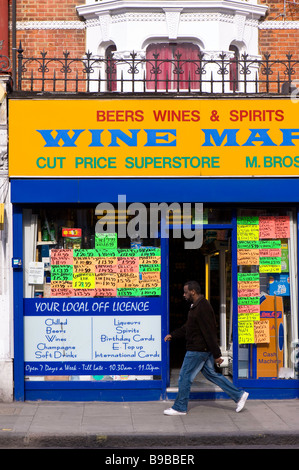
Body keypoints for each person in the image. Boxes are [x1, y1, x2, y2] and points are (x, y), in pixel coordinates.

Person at [164, 280, 249, 416]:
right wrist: (173, 335)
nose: (184, 295)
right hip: (201, 349)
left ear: (193, 292)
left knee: (184, 377)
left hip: (197, 350)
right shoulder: (196, 306)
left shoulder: (203, 307)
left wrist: (217, 354)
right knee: (212, 375)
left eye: (186, 292)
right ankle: (239, 395)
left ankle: (180, 407)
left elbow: (209, 332)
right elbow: (188, 327)